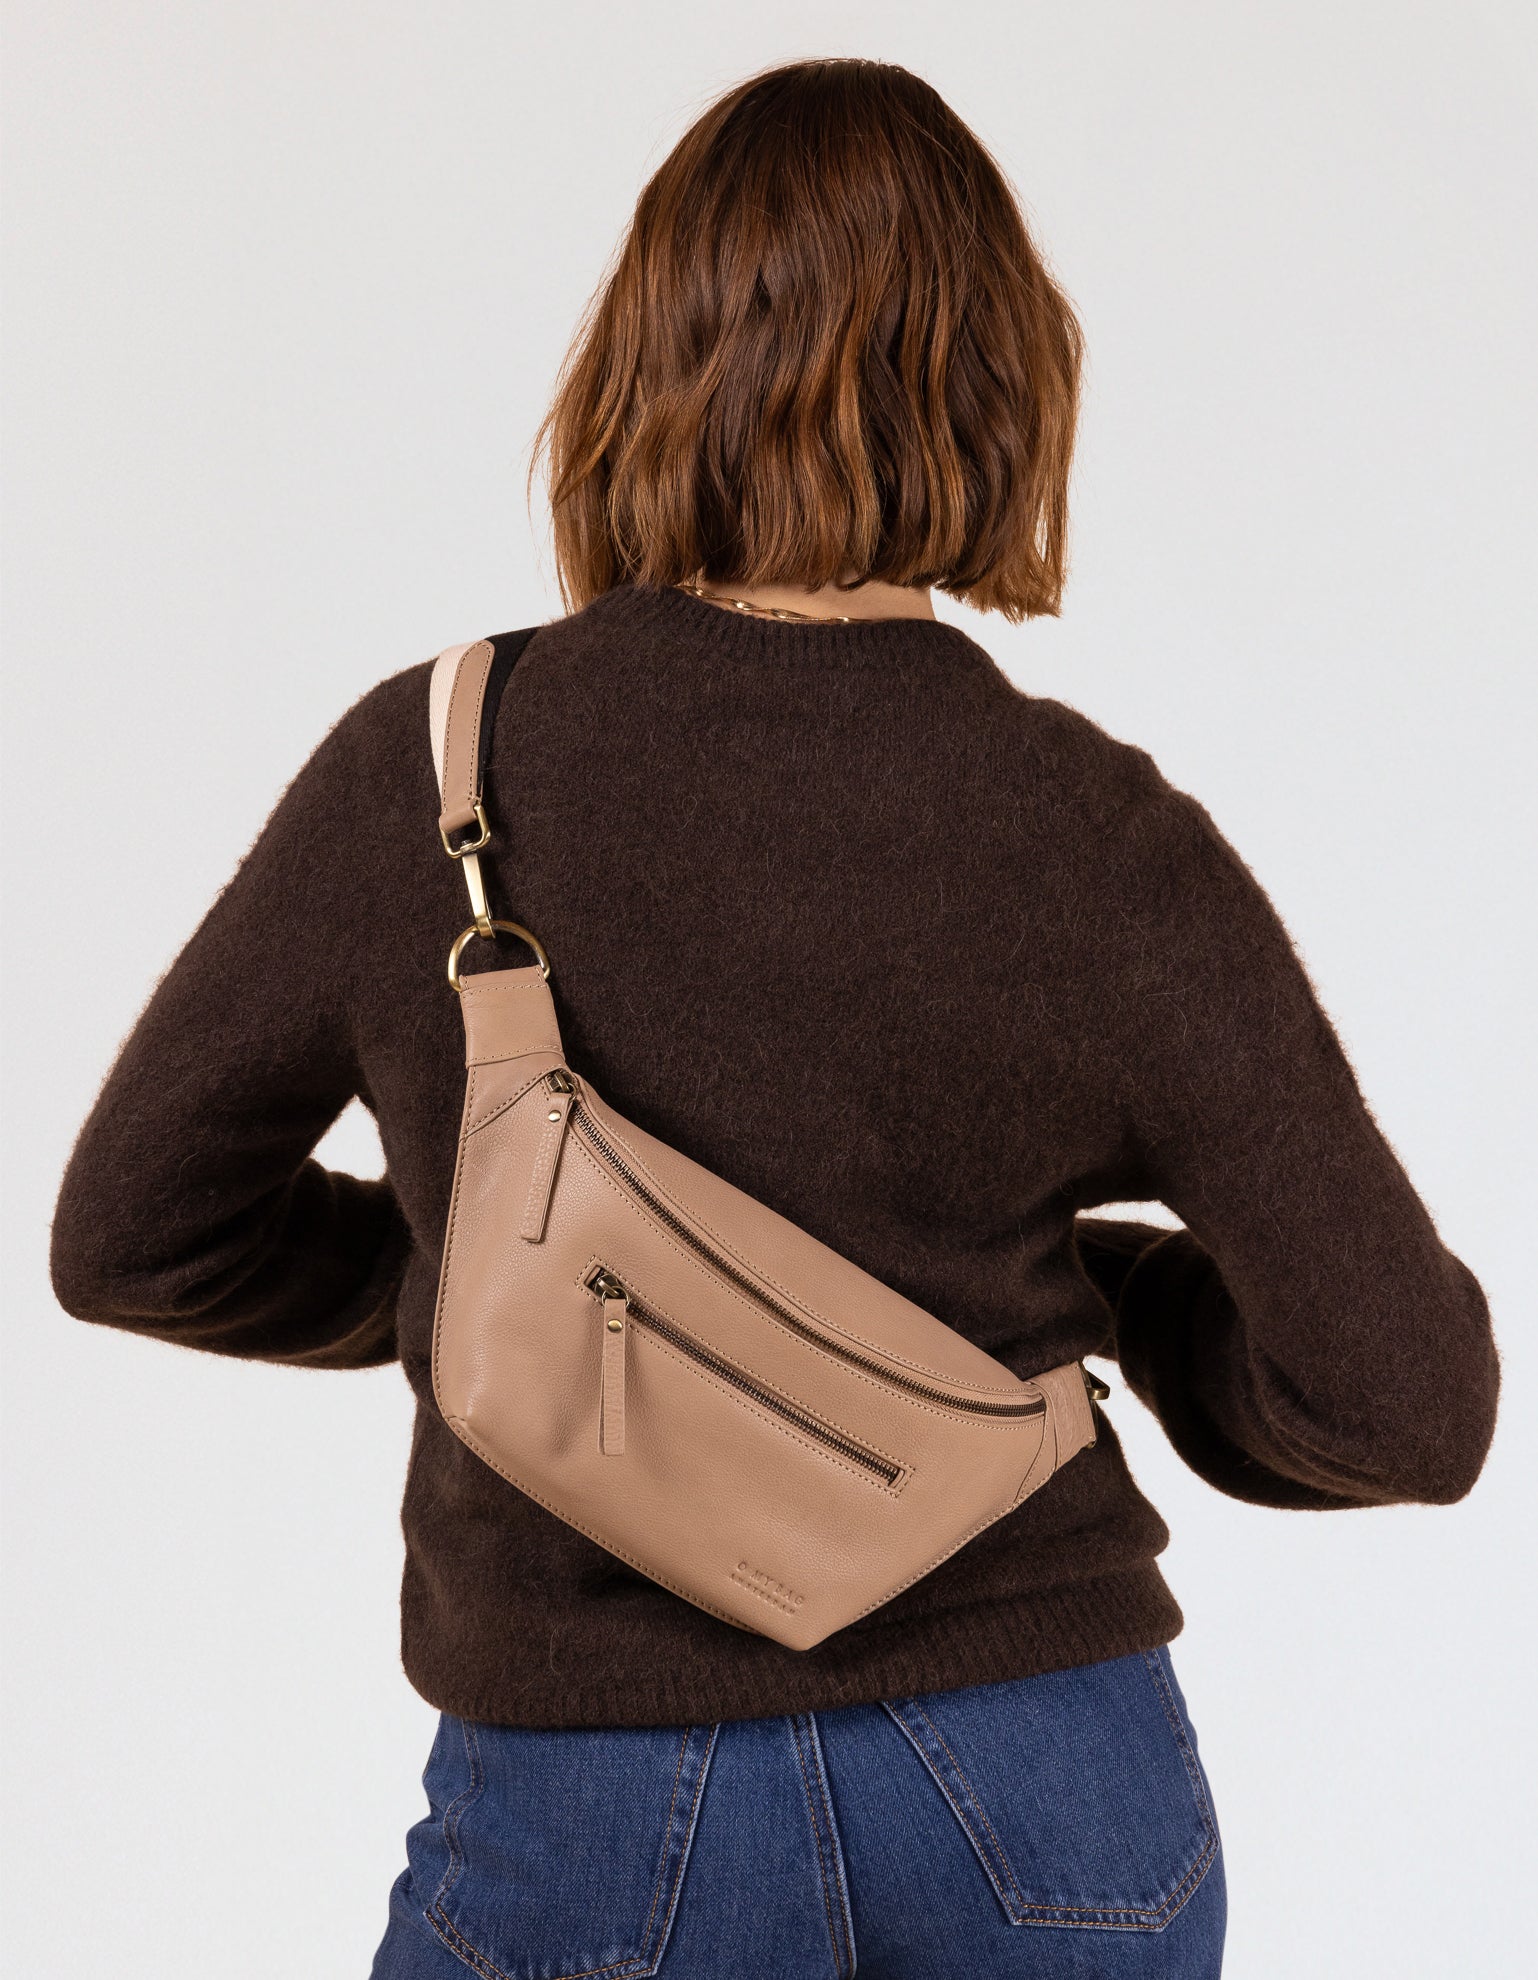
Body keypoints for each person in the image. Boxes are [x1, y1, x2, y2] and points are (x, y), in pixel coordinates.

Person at [50, 58, 1498, 1980]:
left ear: (640, 371)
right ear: (1003, 392)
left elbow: (135, 1236)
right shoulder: (1096, 832)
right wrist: (1117, 1300)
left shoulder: (441, 766)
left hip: (583, 1787)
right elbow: (1405, 1402)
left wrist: (517, 1306)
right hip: (1043, 1789)